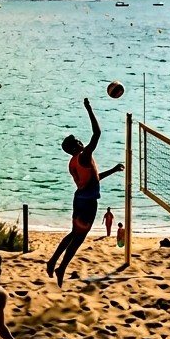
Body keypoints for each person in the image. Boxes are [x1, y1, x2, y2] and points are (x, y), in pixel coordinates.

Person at [46, 98, 124, 286]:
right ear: (74, 147)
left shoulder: (73, 162)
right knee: (79, 238)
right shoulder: (84, 155)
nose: (81, 142)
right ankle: (61, 267)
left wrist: (112, 170)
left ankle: (53, 261)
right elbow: (97, 133)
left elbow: (92, 180)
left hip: (79, 199)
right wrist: (89, 109)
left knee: (73, 233)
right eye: (78, 142)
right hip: (88, 203)